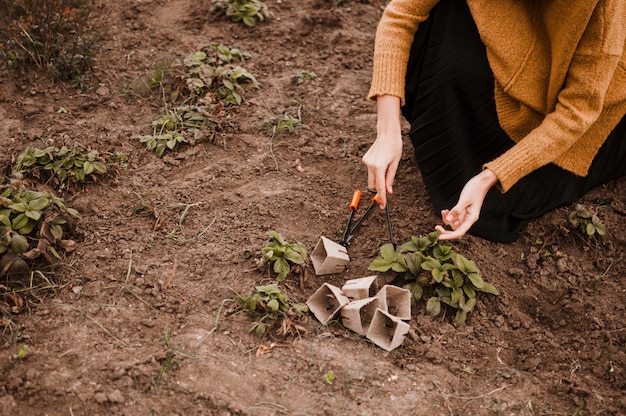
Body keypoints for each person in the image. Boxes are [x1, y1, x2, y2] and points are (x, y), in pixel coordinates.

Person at [362, 0, 626, 243]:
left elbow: (576, 113)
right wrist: (387, 131)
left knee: (486, 200)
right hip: (518, 56)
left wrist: (491, 177)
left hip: (590, 104)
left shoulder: (605, 8)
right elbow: (400, 16)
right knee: (445, 11)